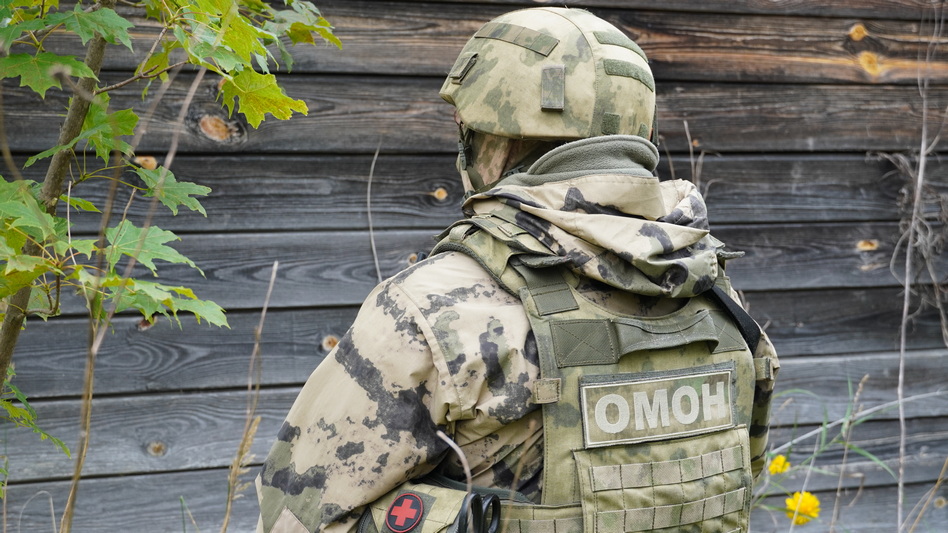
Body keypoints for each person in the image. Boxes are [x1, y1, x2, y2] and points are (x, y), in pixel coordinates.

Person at [256, 7, 779, 533]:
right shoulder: (714, 294)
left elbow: (295, 515)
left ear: (493, 140)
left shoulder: (435, 305)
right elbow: (741, 480)